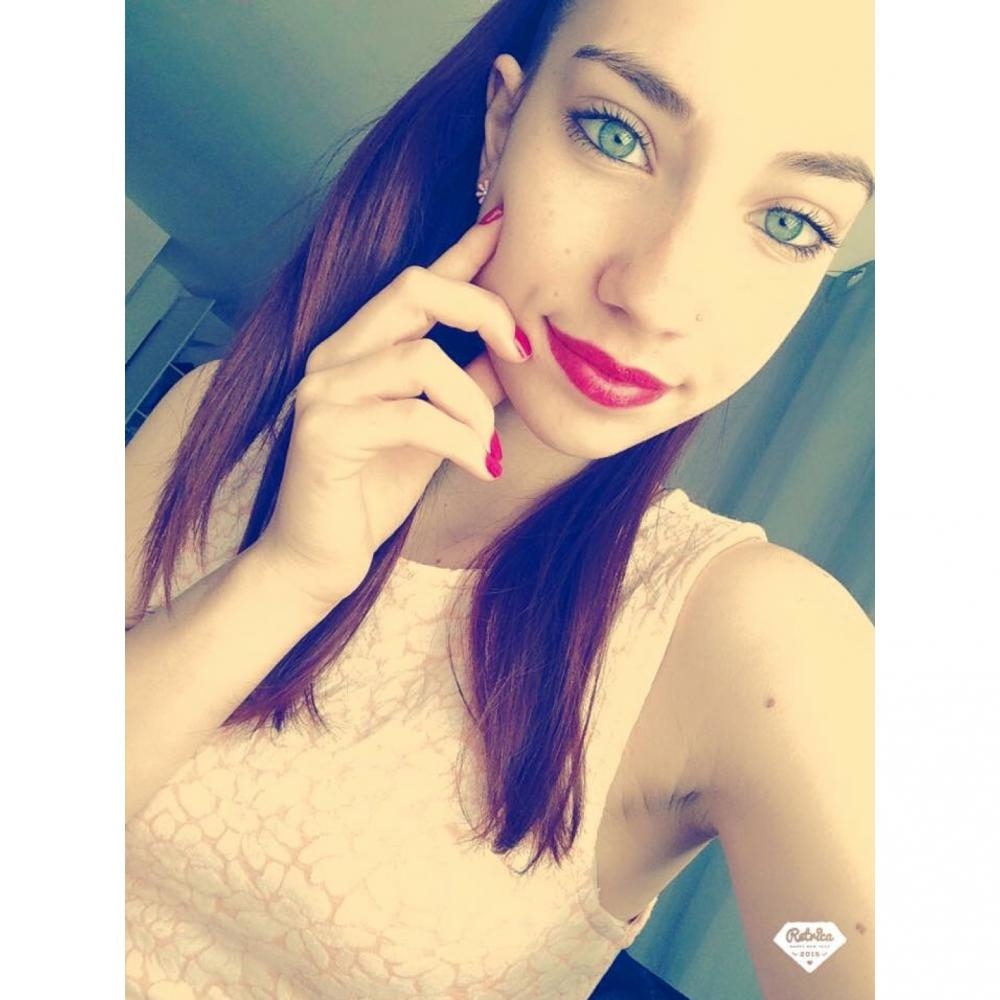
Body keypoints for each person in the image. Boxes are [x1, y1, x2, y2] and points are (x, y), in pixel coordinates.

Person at [124, 0, 874, 996]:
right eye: (617, 135)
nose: (655, 295)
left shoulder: (755, 637)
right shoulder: (208, 421)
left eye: (789, 223)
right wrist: (285, 578)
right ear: (501, 126)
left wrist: (803, 943)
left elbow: (833, 949)